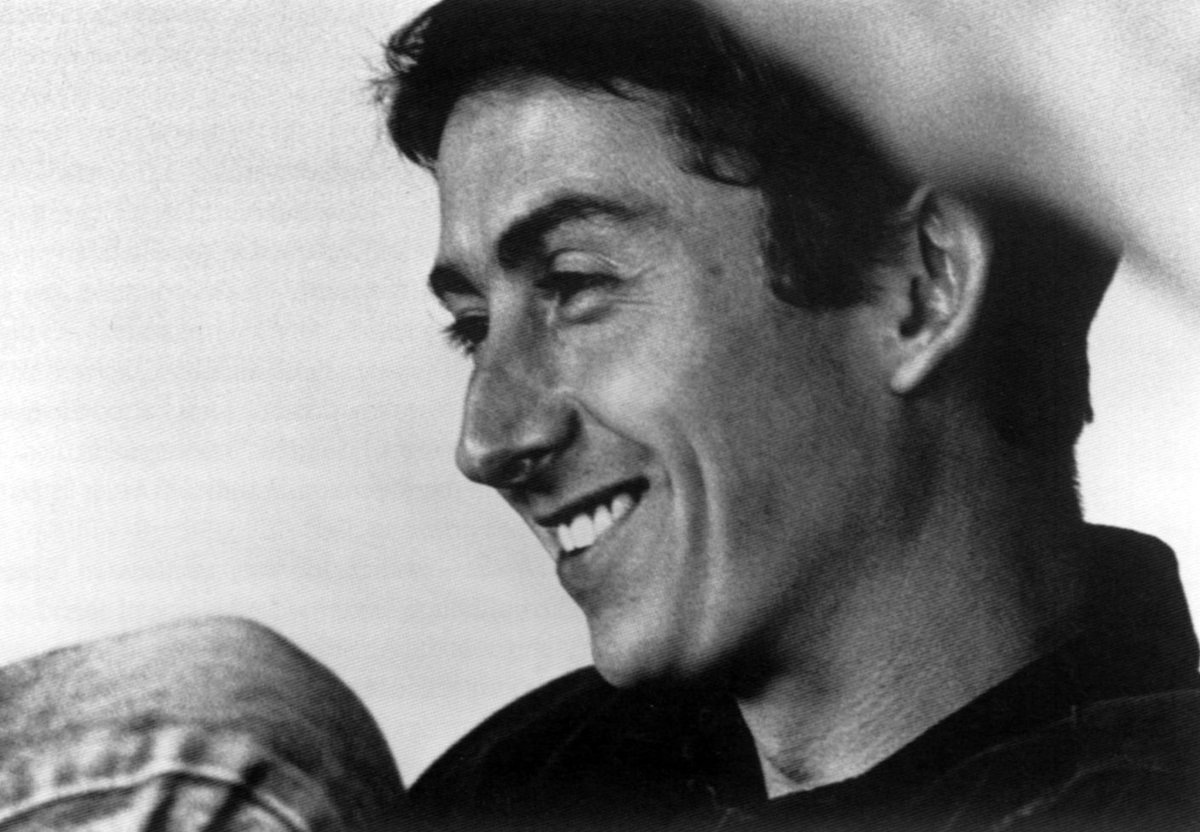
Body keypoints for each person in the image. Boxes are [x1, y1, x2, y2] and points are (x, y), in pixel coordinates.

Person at [0, 0, 1195, 830]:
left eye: (575, 287)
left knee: (226, 729)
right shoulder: (546, 772)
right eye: (474, 326)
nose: (487, 439)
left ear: (922, 285)